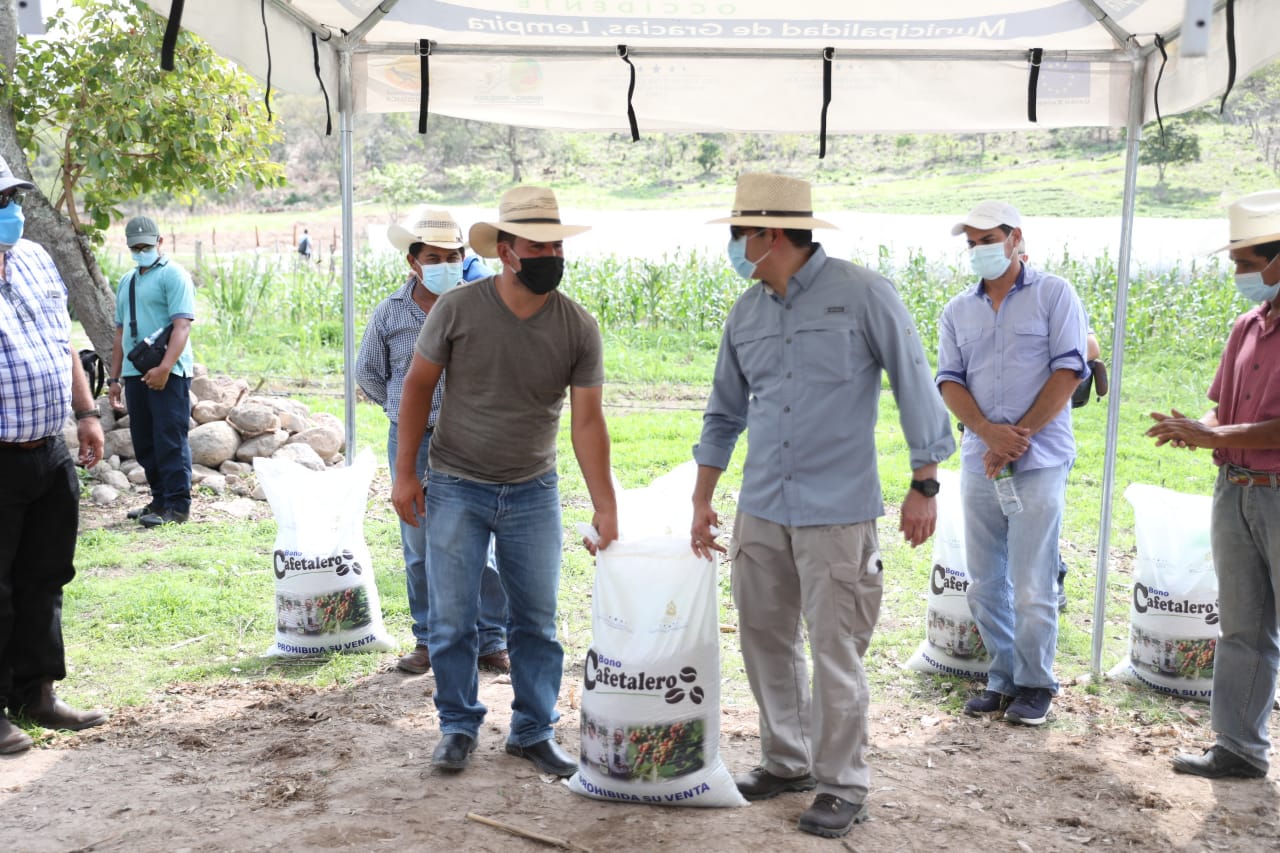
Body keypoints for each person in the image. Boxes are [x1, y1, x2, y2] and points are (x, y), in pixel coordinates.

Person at [690, 173, 955, 839]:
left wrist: (924, 482)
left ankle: (842, 784)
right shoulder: (746, 313)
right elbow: (723, 412)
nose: (734, 247)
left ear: (771, 234)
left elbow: (914, 380)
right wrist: (703, 497)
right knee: (764, 638)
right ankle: (788, 760)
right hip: (762, 505)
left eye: (739, 234)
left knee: (837, 648)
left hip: (838, 511)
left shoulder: (863, 294)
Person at [391, 186, 618, 777]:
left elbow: (588, 422)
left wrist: (605, 505)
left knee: (536, 621)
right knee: (451, 619)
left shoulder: (577, 326)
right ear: (506, 251)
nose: (551, 256)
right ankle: (458, 725)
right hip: (456, 484)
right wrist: (405, 473)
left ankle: (533, 730)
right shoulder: (458, 309)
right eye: (537, 246)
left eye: (556, 246)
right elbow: (417, 385)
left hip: (533, 490)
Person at [936, 201, 1089, 726]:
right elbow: (949, 380)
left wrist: (1015, 438)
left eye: (987, 239)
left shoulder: (1055, 294)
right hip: (982, 460)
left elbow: (1069, 370)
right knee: (984, 582)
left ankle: (1036, 683)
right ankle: (1002, 678)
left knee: (1032, 581)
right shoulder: (958, 310)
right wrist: (987, 433)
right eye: (971, 243)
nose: (978, 250)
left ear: (1015, 238)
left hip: (1039, 458)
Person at [1147, 189, 1280, 780]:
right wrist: (1194, 429)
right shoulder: (1246, 325)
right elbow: (1220, 409)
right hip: (1235, 489)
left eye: (1247, 263)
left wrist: (1213, 433)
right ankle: (1239, 748)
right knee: (1242, 624)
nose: (1238, 275)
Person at [355, 208, 509, 676]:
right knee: (420, 545)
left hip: (472, 439)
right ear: (413, 262)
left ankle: (490, 640)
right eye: (434, 258)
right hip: (414, 443)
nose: (446, 265)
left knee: (481, 541)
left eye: (453, 256)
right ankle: (427, 640)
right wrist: (403, 412)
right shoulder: (391, 312)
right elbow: (369, 373)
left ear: (464, 258)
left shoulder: (482, 306)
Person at [0, 155, 109, 754]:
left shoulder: (37, 258)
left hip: (48, 449)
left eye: (10, 199)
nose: (10, 211)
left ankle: (36, 693)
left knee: (45, 576)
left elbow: (61, 340)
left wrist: (86, 413)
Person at [108, 216, 195, 527]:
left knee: (170, 439)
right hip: (135, 372)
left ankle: (178, 506)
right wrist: (114, 378)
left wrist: (165, 368)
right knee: (145, 441)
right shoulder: (127, 281)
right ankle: (159, 500)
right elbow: (120, 333)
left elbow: (182, 326)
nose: (141, 251)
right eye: (135, 247)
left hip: (169, 372)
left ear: (160, 242)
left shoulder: (174, 275)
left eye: (146, 246)